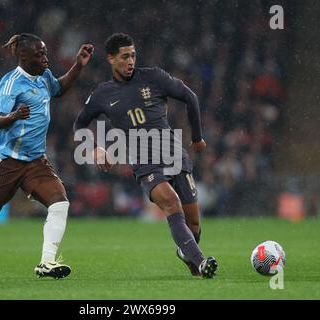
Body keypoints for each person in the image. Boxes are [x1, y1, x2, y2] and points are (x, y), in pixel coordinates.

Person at [0, 33, 94, 279]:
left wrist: (78, 65)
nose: (46, 58)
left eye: (45, 53)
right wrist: (14, 116)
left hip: (36, 161)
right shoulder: (11, 83)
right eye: (39, 54)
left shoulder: (44, 76)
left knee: (60, 202)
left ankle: (47, 262)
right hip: (9, 161)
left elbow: (60, 88)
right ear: (23, 56)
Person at [74, 33, 218, 278]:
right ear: (111, 59)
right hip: (144, 161)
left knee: (194, 224)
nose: (131, 61)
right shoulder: (102, 94)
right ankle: (203, 262)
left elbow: (190, 97)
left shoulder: (153, 77)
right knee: (171, 204)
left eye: (133, 55)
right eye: (124, 57)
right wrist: (96, 147)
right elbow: (79, 124)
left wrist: (197, 137)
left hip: (173, 154)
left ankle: (192, 261)